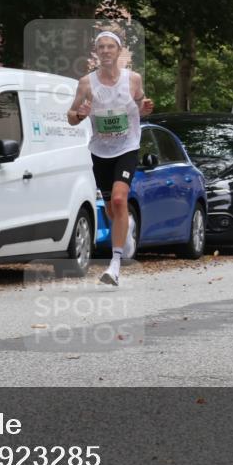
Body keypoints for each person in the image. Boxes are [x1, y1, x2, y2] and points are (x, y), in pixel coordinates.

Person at [67, 29, 153, 285]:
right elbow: (70, 117)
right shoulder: (86, 83)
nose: (105, 51)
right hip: (100, 151)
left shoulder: (133, 79)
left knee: (119, 198)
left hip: (127, 147)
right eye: (101, 47)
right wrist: (80, 114)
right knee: (112, 208)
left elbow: (141, 105)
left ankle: (114, 265)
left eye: (110, 47)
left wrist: (145, 107)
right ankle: (124, 232)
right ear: (97, 52)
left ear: (118, 51)